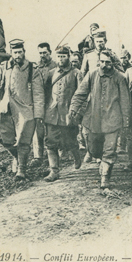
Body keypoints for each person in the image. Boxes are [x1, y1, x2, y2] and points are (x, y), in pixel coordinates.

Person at [69, 51, 130, 189]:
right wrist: (74, 107)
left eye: (107, 62)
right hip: (94, 120)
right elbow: (80, 93)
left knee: (109, 150)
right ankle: (102, 164)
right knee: (94, 150)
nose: (104, 65)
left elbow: (125, 101)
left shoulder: (120, 78)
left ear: (112, 63)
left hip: (113, 120)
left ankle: (105, 179)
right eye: (102, 61)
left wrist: (126, 122)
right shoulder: (92, 74)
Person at [0, 39, 44, 181]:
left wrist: (38, 114)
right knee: (0, 136)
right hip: (6, 108)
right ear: (11, 53)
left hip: (25, 111)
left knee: (24, 141)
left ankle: (21, 170)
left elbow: (38, 94)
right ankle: (18, 158)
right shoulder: (3, 67)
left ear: (24, 52)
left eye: (20, 52)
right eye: (15, 52)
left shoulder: (32, 69)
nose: (18, 55)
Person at [43, 46, 84, 182]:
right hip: (52, 114)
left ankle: (76, 154)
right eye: (59, 56)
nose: (61, 59)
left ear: (69, 56)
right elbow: (46, 93)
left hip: (68, 114)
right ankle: (54, 171)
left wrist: (78, 114)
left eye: (64, 56)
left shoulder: (77, 73)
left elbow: (82, 94)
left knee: (70, 141)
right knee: (50, 142)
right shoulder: (50, 73)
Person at [30, 42, 58, 166]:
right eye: (40, 53)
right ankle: (38, 156)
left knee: (52, 128)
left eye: (45, 53)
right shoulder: (36, 68)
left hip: (53, 100)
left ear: (50, 53)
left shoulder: (56, 66)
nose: (42, 55)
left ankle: (55, 153)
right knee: (38, 128)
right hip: (40, 102)